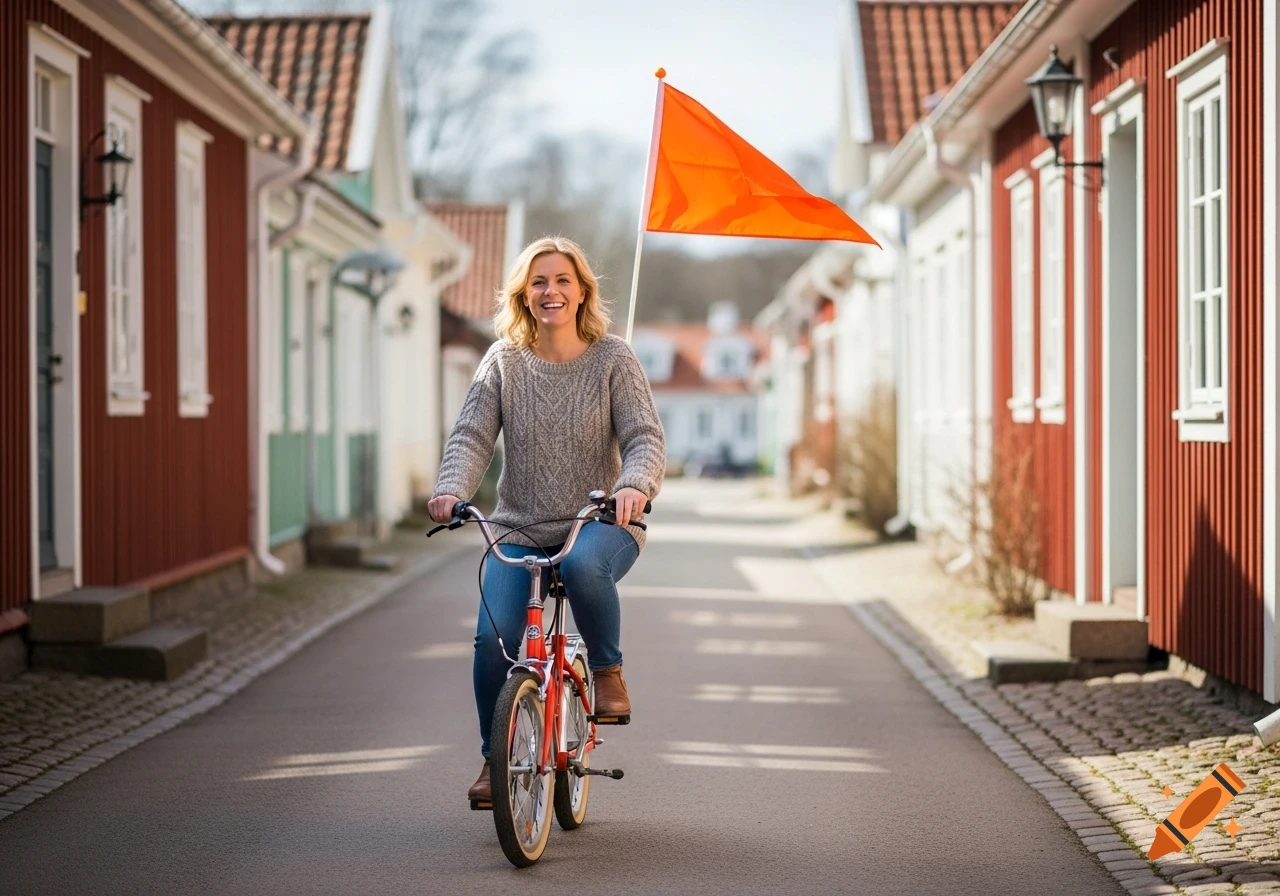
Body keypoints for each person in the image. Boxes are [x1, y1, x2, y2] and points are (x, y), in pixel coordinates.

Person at [428, 236, 666, 803]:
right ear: (523, 294)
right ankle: (494, 759)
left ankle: (607, 671)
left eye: (562, 280)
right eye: (539, 282)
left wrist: (634, 485)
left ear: (582, 291)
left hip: (601, 521)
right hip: (519, 526)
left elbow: (644, 437)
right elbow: (471, 436)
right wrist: (449, 490)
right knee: (493, 642)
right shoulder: (503, 361)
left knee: (585, 567)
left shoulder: (614, 357)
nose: (551, 291)